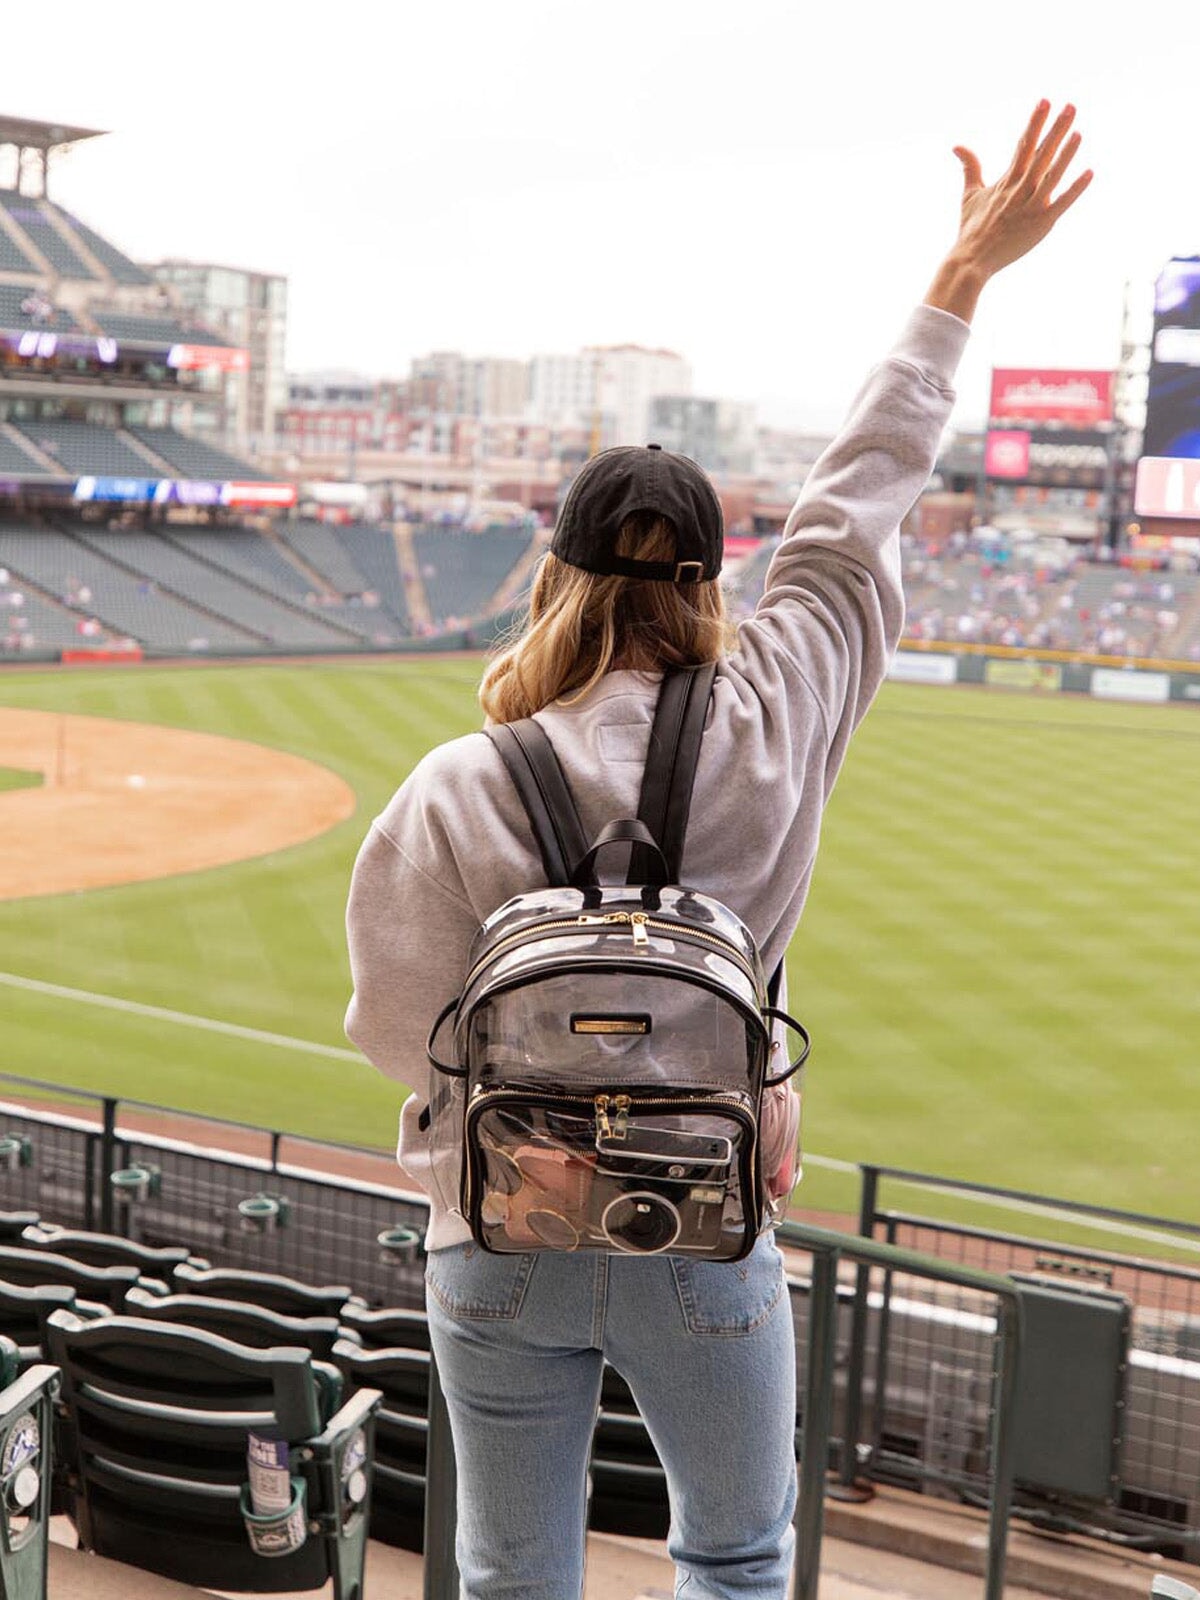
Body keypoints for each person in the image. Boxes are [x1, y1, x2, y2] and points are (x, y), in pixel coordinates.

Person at [344, 101, 1091, 1600]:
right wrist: (958, 280)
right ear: (709, 581)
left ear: (552, 576)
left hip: (496, 1236)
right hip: (706, 1233)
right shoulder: (781, 710)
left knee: (506, 1575)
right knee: (738, 1559)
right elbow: (854, 509)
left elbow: (394, 1030)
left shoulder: (453, 785)